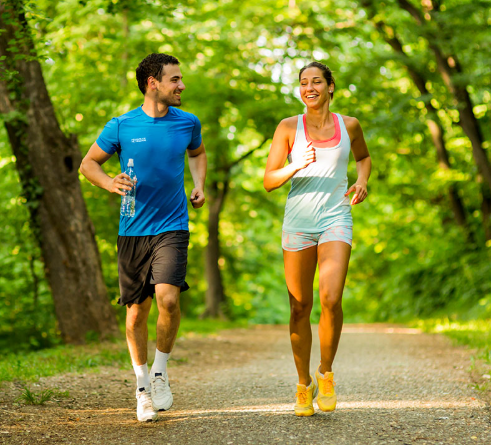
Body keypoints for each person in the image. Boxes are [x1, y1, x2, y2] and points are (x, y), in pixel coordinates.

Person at [80, 53, 207, 422]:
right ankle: (141, 389)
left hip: (173, 226)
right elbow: (88, 164)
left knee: (168, 299)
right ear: (153, 83)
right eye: (175, 80)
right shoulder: (121, 125)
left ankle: (160, 373)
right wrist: (108, 182)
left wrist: (198, 185)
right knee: (137, 313)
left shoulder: (188, 123)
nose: (181, 86)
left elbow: (197, 153)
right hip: (133, 228)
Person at [263, 61, 371, 417]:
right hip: (298, 221)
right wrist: (295, 164)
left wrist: (362, 180)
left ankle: (325, 372)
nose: (309, 88)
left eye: (316, 82)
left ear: (330, 87)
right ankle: (303, 383)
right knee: (298, 306)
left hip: (335, 217)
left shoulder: (349, 125)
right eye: (303, 83)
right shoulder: (288, 127)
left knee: (331, 296)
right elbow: (269, 180)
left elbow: (364, 158)